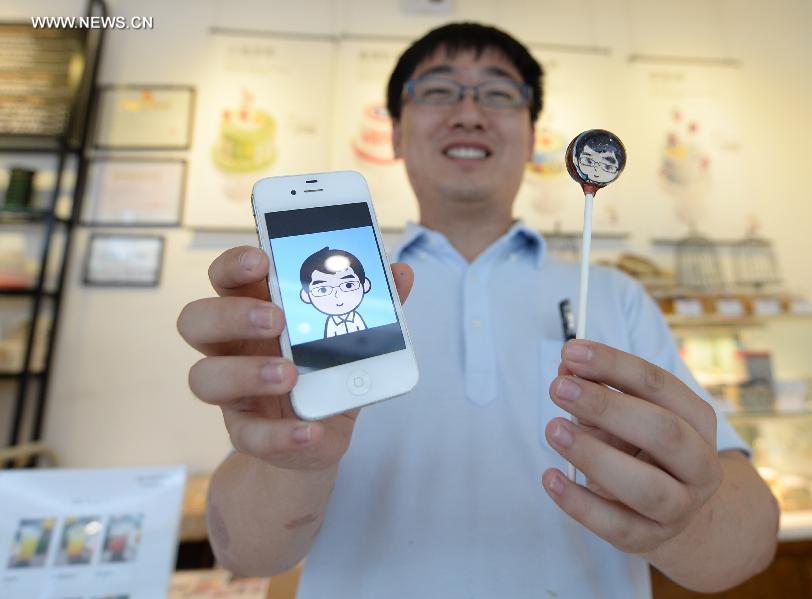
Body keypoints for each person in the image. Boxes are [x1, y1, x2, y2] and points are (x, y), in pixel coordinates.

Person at [178, 22, 779, 598]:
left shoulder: (616, 295)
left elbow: (747, 548)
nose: (469, 112)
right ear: (394, 132)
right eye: (438, 91)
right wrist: (295, 453)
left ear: (533, 131)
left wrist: (684, 520)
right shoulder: (341, 285)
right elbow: (247, 554)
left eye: (497, 92)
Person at [298, 247, 370, 338]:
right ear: (306, 296)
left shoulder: (357, 319)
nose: (337, 295)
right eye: (323, 290)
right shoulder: (331, 324)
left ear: (365, 285)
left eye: (348, 285)